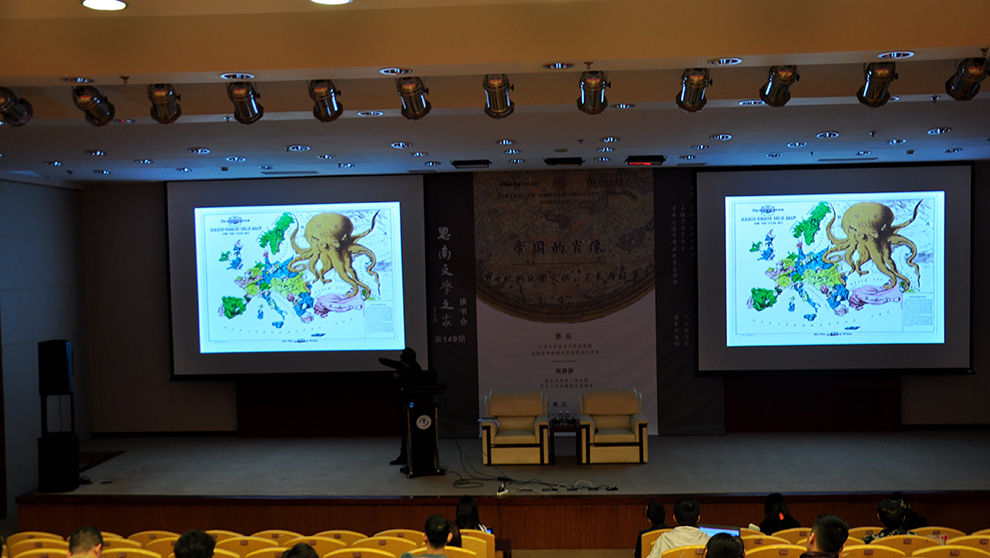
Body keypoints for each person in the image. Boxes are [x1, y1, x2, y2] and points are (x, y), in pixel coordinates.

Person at [380, 347, 423, 466]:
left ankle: (410, 455)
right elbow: (395, 364)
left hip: (410, 405)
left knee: (410, 431)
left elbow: (408, 384)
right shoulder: (410, 366)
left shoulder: (413, 370)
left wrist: (397, 379)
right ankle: (404, 455)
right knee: (405, 432)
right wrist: (384, 360)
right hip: (405, 404)